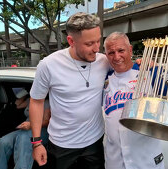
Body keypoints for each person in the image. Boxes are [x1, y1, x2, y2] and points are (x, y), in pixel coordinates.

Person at [103, 32, 168, 169]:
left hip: (146, 160)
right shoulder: (104, 78)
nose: (117, 57)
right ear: (106, 56)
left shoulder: (149, 71)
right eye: (111, 53)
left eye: (121, 50)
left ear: (130, 50)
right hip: (114, 162)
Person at [29, 12, 110, 169]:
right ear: (71, 41)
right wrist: (37, 142)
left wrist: (144, 64)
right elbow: (36, 101)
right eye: (89, 44)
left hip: (95, 143)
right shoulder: (49, 65)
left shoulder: (103, 61)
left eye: (98, 41)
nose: (96, 48)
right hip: (61, 145)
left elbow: (126, 68)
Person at [0, 88, 50, 169]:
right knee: (3, 142)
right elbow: (17, 106)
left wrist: (31, 125)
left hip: (40, 130)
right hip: (25, 129)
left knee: (23, 138)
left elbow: (46, 122)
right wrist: (22, 95)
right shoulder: (29, 100)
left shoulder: (46, 102)